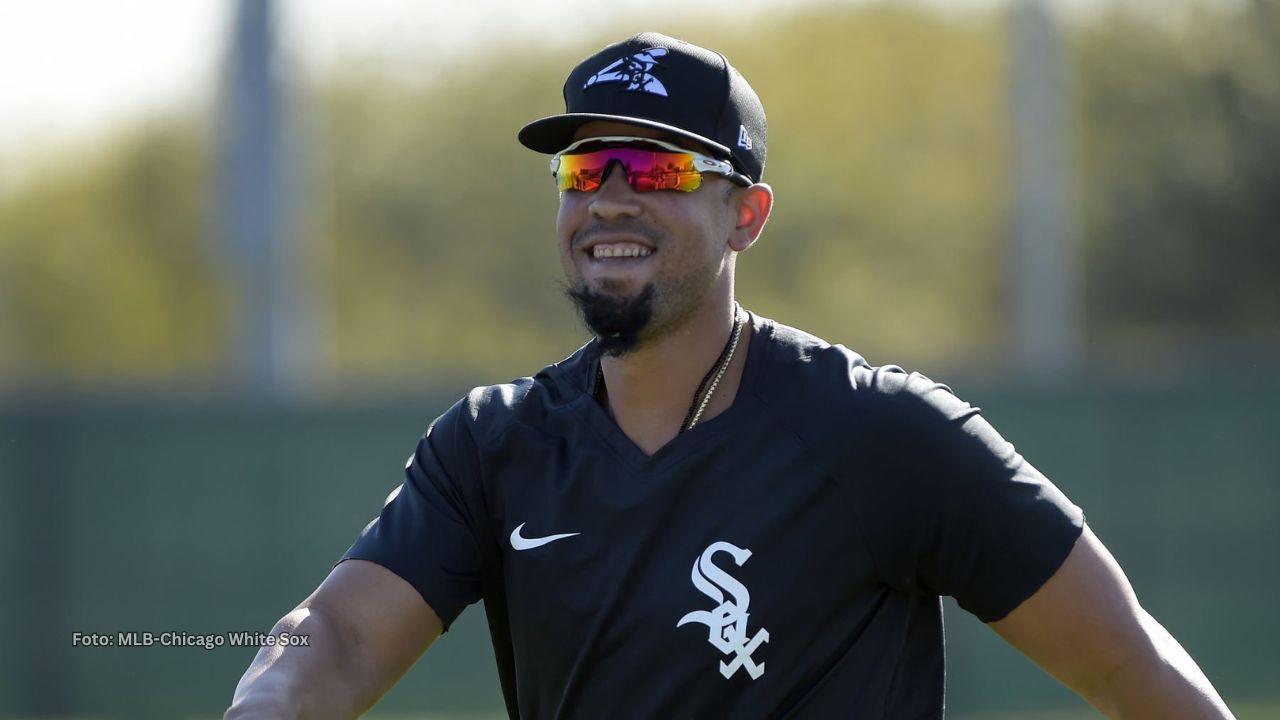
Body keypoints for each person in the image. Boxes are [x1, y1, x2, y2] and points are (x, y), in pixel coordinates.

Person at [226, 32, 1235, 719]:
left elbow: (1123, 662)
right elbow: (338, 638)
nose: (612, 199)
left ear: (744, 215)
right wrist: (266, 700)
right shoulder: (492, 450)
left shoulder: (877, 434)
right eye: (586, 170)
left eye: (659, 170)